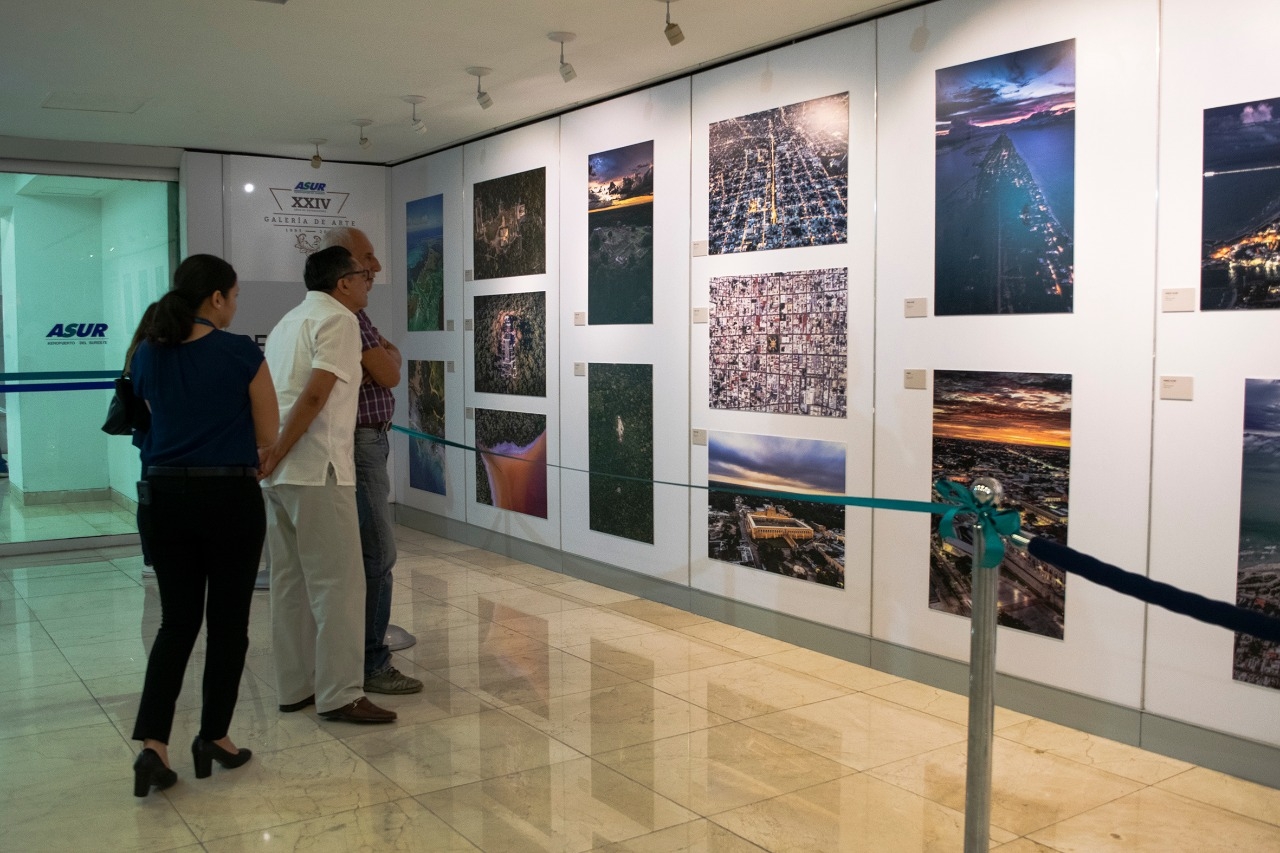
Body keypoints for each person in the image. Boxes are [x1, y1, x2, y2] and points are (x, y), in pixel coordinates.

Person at [129, 254, 278, 796]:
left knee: (176, 624)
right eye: (234, 296)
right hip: (228, 498)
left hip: (164, 498)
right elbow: (268, 432)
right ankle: (214, 736)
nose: (236, 306)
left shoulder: (148, 352)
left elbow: (146, 421)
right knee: (228, 623)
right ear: (216, 298)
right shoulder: (240, 353)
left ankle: (153, 746)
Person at [258, 245, 397, 724]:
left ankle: (296, 687)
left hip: (283, 477)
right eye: (363, 275)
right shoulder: (339, 321)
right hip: (318, 470)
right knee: (339, 585)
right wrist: (278, 448)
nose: (369, 280)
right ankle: (341, 693)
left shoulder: (288, 322)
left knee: (290, 584)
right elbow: (316, 393)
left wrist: (272, 451)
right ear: (342, 283)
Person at [317, 227, 422, 695]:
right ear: (343, 271)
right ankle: (371, 663)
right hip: (360, 445)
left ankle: (361, 654)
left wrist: (388, 357)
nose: (375, 268)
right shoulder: (347, 319)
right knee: (377, 554)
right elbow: (390, 371)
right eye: (366, 259)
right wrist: (387, 358)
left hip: (365, 443)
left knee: (371, 553)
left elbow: (392, 362)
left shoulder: (353, 317)